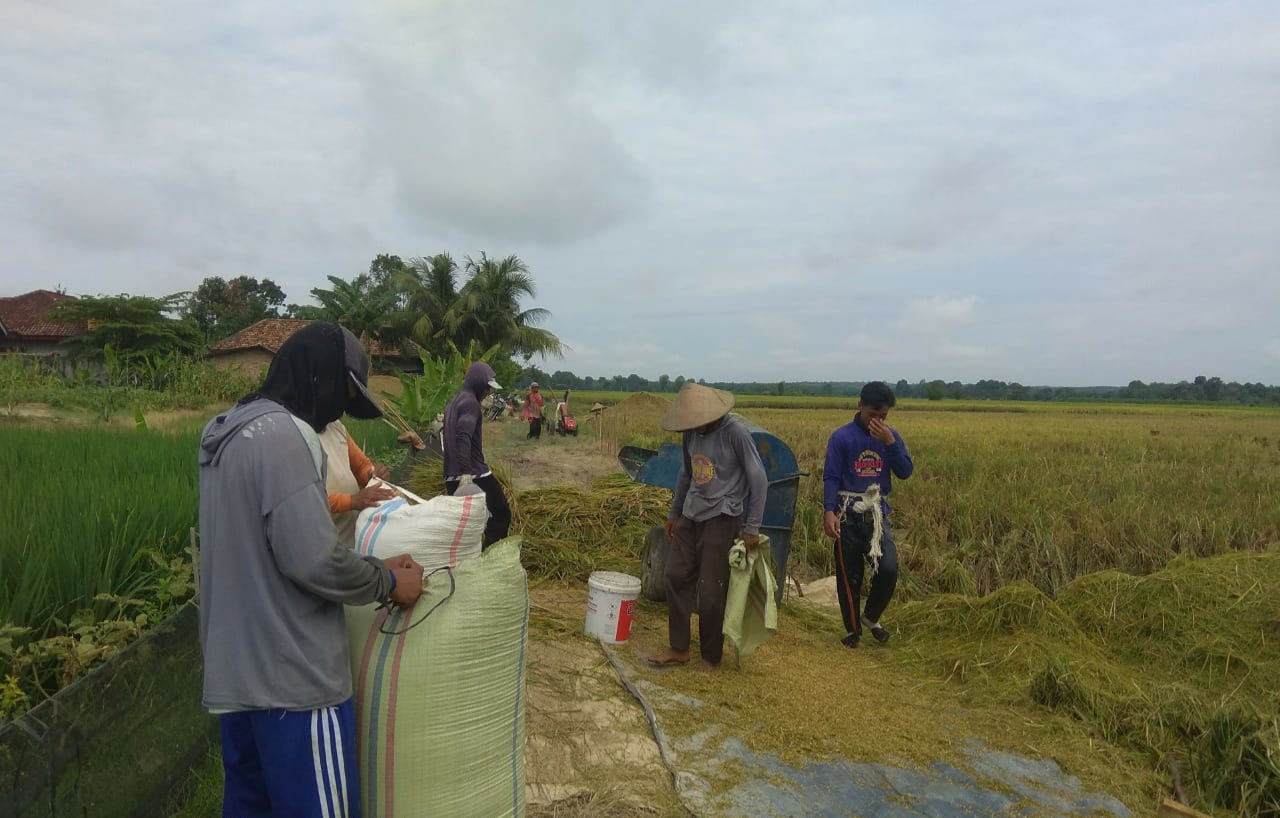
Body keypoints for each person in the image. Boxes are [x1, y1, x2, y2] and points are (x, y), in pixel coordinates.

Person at [198, 322, 425, 818]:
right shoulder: (287, 437)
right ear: (319, 377)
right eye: (342, 397)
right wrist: (388, 581)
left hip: (238, 682)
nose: (338, 414)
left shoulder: (229, 433)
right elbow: (313, 559)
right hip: (295, 687)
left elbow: (267, 549)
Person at [648, 382, 767, 671]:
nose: (693, 427)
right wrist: (675, 513)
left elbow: (758, 478)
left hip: (722, 517)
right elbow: (686, 474)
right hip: (692, 514)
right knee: (675, 575)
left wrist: (752, 526)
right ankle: (679, 648)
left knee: (711, 588)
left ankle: (710, 656)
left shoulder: (735, 433)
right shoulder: (691, 433)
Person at [822, 380, 914, 648]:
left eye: (883, 416)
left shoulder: (890, 437)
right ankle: (853, 631)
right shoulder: (841, 437)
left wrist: (890, 443)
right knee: (849, 576)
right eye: (873, 415)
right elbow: (831, 476)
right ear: (860, 405)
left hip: (876, 516)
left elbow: (905, 472)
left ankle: (871, 617)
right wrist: (828, 510)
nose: (878, 421)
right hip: (847, 514)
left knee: (888, 568)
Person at [442, 361, 512, 548]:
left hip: (451, 476)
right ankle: (489, 556)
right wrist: (466, 472)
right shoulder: (470, 404)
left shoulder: (454, 402)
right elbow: (463, 436)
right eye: (486, 388)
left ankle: (469, 555)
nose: (487, 393)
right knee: (501, 513)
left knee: (463, 525)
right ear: (478, 383)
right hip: (474, 475)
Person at [320, 419, 396, 548]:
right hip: (323, 545)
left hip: (352, 537)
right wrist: (352, 501)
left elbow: (360, 466)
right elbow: (306, 501)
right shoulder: (297, 437)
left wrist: (370, 475)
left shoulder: (336, 427)